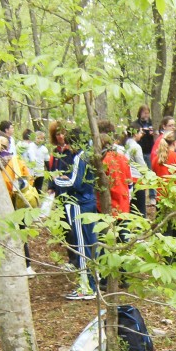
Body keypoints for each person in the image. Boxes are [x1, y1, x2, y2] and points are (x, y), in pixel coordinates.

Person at [53, 128, 98, 300]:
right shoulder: (89, 154)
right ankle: (93, 280)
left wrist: (56, 180)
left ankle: (87, 287)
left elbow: (75, 183)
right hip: (89, 201)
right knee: (90, 241)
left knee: (82, 245)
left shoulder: (80, 157)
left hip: (80, 204)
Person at [0, 136, 35, 277]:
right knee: (20, 232)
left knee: (2, 232)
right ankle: (27, 265)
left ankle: (4, 263)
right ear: (9, 146)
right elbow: (29, 180)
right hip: (17, 201)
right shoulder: (16, 161)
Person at [131, 104, 155, 169]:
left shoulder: (152, 123)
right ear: (140, 113)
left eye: (148, 113)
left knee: (150, 169)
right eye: (145, 113)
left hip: (150, 150)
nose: (146, 115)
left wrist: (153, 134)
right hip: (140, 150)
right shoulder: (135, 124)